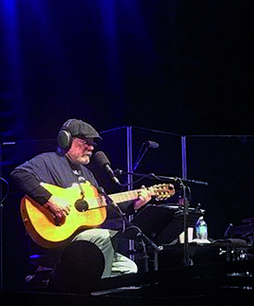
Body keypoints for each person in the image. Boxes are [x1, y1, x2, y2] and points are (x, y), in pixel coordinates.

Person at [11, 119, 153, 292]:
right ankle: (93, 295)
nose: (92, 147)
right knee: (103, 235)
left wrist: (135, 204)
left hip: (84, 243)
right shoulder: (48, 161)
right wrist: (50, 200)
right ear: (66, 139)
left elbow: (102, 210)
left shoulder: (87, 174)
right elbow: (19, 174)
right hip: (60, 242)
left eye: (93, 144)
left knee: (129, 269)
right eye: (86, 142)